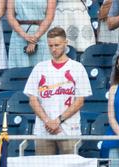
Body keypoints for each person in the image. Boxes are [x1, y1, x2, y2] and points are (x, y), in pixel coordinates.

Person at [25, 27, 90, 155]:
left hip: (69, 129)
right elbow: (32, 99)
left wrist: (58, 120)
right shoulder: (40, 68)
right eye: (50, 46)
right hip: (44, 130)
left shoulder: (77, 68)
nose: (53, 49)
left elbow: (80, 100)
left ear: (65, 43)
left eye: (57, 45)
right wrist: (48, 121)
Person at [6, 0, 55, 68]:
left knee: (42, 71)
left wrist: (35, 37)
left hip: (42, 34)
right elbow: (10, 16)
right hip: (19, 35)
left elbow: (49, 17)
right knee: (19, 72)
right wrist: (24, 35)